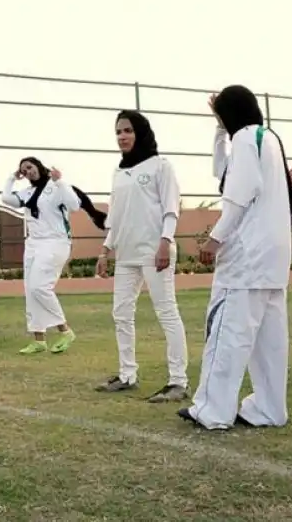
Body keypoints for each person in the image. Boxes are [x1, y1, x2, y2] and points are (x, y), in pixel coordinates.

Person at [178, 86, 292, 430]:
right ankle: (269, 409)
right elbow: (223, 173)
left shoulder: (247, 139)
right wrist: (219, 129)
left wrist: (215, 240)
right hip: (273, 261)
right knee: (269, 343)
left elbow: (238, 195)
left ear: (231, 111)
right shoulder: (266, 139)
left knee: (228, 333)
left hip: (246, 260)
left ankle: (212, 410)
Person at [94, 110, 189, 403]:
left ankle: (178, 382)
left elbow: (171, 209)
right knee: (121, 313)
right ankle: (127, 375)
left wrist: (165, 242)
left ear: (141, 132)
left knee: (166, 313)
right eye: (118, 132)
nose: (122, 136)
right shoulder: (119, 172)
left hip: (154, 252)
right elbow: (116, 216)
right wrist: (105, 250)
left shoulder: (161, 166)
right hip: (126, 255)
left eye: (128, 131)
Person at [1, 156, 106, 355]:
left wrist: (60, 181)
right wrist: (11, 178)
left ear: (38, 166)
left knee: (40, 287)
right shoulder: (27, 192)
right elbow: (7, 199)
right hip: (33, 244)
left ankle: (65, 331)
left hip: (55, 243)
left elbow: (74, 205)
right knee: (31, 290)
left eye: (29, 167)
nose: (27, 172)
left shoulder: (56, 186)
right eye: (23, 170)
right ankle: (38, 339)